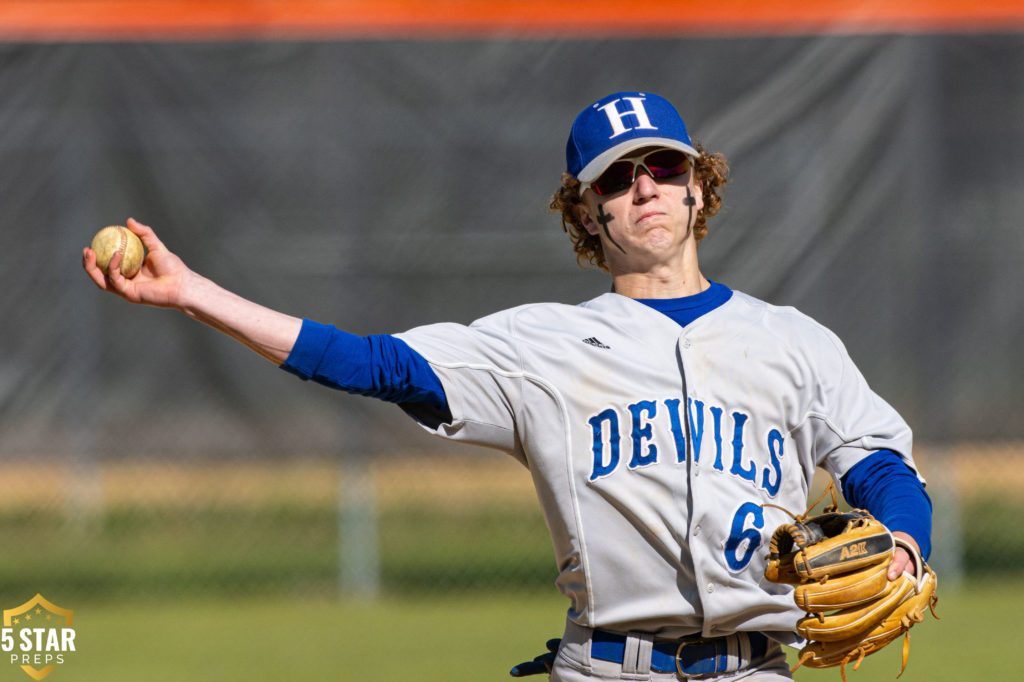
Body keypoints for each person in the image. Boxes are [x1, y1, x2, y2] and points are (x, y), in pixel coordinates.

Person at [83, 91, 932, 681]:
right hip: (606, 668)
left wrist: (901, 542)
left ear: (698, 184)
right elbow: (374, 364)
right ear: (587, 213)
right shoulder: (540, 346)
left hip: (756, 669)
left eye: (664, 167)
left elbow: (880, 465)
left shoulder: (790, 339)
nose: (645, 187)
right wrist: (196, 295)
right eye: (616, 178)